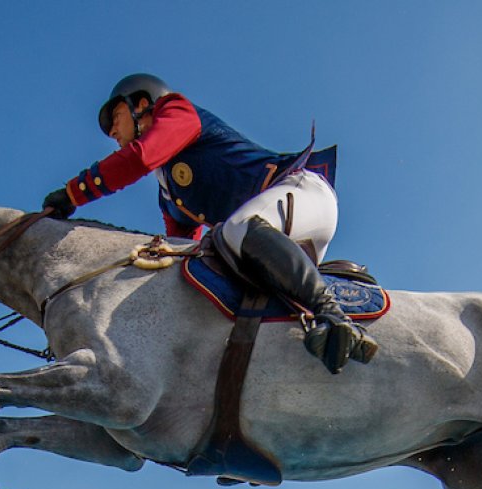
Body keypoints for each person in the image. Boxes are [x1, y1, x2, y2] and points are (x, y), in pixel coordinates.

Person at [40, 73, 378, 376]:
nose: (111, 131)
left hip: (302, 194)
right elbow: (181, 252)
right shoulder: (169, 193)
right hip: (270, 234)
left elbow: (139, 158)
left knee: (234, 229)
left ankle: (333, 317)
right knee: (208, 269)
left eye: (115, 118)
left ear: (141, 104)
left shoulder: (176, 111)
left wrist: (74, 193)